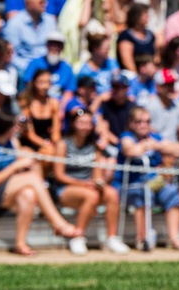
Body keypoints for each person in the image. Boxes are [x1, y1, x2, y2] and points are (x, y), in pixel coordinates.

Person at [0, 112, 79, 256]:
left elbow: (21, 164)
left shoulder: (13, 142)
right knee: (32, 178)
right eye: (16, 125)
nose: (19, 128)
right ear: (7, 127)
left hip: (13, 188)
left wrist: (27, 160)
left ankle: (20, 244)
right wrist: (15, 166)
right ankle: (58, 224)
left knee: (28, 195)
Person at [53, 108, 130, 255]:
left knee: (112, 194)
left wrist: (100, 182)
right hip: (67, 189)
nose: (85, 126)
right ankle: (77, 236)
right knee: (91, 195)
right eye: (82, 123)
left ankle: (112, 237)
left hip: (89, 186)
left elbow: (97, 174)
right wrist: (85, 184)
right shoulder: (63, 144)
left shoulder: (94, 147)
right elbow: (59, 175)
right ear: (74, 124)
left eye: (88, 123)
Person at [117, 106, 179, 251]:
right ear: (131, 123)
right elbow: (131, 150)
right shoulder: (126, 137)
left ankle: (174, 238)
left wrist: (156, 145)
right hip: (131, 185)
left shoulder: (154, 138)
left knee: (172, 193)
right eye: (139, 122)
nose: (143, 125)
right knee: (144, 194)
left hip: (154, 183)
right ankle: (142, 238)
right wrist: (147, 145)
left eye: (147, 121)